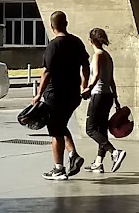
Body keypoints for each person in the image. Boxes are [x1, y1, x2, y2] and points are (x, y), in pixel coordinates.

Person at [36, 10, 89, 180]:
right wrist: (84, 86)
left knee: (56, 131)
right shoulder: (77, 42)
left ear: (52, 27)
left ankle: (58, 168)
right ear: (66, 23)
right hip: (73, 94)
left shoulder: (53, 45)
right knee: (61, 125)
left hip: (55, 94)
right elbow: (85, 66)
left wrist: (38, 94)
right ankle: (73, 155)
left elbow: (47, 72)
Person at [82, 27, 126, 174]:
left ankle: (115, 152)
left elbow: (96, 75)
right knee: (101, 130)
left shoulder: (98, 55)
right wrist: (116, 98)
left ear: (91, 40)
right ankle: (98, 163)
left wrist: (89, 88)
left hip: (98, 95)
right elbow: (111, 79)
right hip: (108, 96)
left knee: (90, 129)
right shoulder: (108, 56)